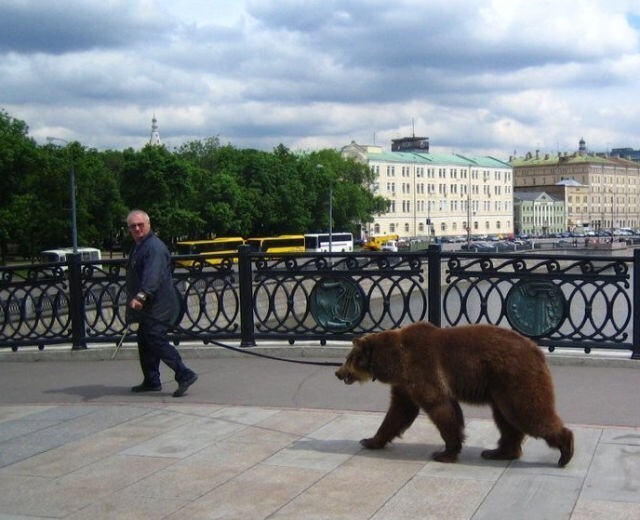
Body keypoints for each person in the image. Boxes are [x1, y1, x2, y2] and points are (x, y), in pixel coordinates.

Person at [125, 209, 198, 397]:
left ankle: (184, 374)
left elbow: (153, 275)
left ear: (148, 225)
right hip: (151, 303)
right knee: (145, 339)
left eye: (140, 224)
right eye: (133, 226)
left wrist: (141, 296)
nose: (137, 228)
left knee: (155, 338)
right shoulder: (139, 246)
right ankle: (151, 380)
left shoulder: (153, 247)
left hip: (159, 303)